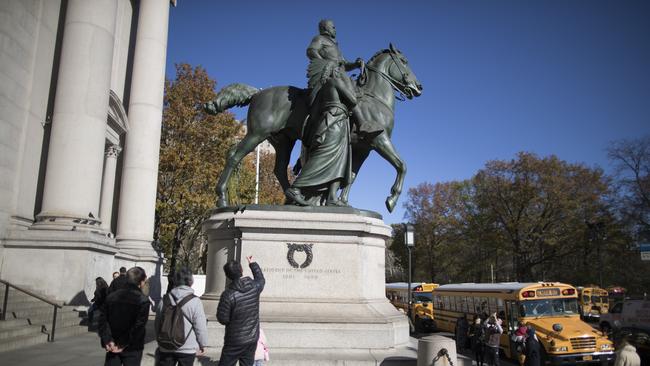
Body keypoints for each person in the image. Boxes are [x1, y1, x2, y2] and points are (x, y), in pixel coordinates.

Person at [217, 256, 265, 366]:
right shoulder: (254, 287)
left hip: (234, 339)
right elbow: (261, 279)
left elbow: (222, 319)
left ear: (227, 275)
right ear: (241, 270)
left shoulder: (228, 294)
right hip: (251, 337)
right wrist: (252, 263)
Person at [155, 267, 208, 366]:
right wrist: (203, 344)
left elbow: (158, 322)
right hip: (187, 346)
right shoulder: (195, 301)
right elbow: (200, 325)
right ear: (191, 282)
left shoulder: (164, 300)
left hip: (166, 345)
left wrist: (159, 339)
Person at [98, 266, 150, 366]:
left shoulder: (111, 297)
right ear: (142, 282)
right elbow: (138, 326)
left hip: (112, 344)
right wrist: (122, 344)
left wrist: (107, 339)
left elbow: (103, 321)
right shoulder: (142, 300)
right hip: (132, 347)